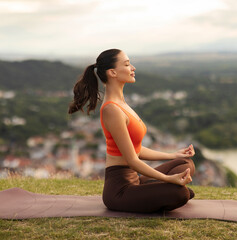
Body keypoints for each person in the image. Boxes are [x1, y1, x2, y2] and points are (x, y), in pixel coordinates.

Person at [68, 48, 196, 213]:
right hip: (120, 190)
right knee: (180, 194)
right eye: (127, 64)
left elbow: (136, 149)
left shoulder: (121, 103)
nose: (133, 68)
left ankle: (159, 189)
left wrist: (174, 155)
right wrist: (168, 178)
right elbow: (132, 160)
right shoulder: (111, 109)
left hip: (136, 180)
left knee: (185, 163)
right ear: (113, 72)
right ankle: (165, 189)